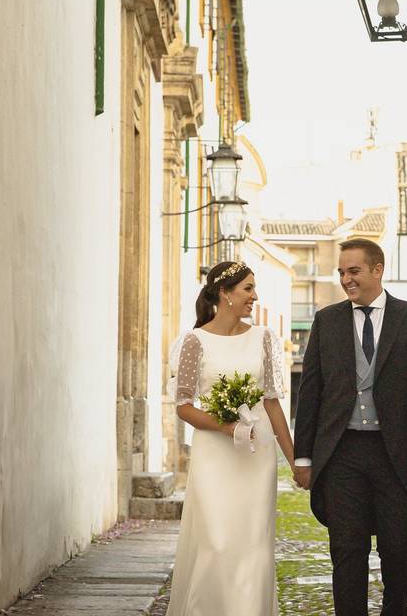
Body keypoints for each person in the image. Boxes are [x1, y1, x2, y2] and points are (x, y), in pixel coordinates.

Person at [293, 238, 407, 616]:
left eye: (353, 271)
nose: (346, 280)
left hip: (396, 453)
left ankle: (395, 610)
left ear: (377, 270)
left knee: (398, 547)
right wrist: (303, 456)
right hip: (342, 453)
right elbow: (311, 393)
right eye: (341, 273)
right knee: (347, 548)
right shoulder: (328, 321)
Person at [165, 261, 295, 616]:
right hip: (214, 456)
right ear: (225, 294)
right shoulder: (194, 341)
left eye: (254, 288)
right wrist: (226, 427)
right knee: (217, 543)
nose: (255, 296)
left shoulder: (264, 338)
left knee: (255, 547)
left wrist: (296, 460)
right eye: (248, 289)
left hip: (257, 455)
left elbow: (272, 403)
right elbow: (184, 406)